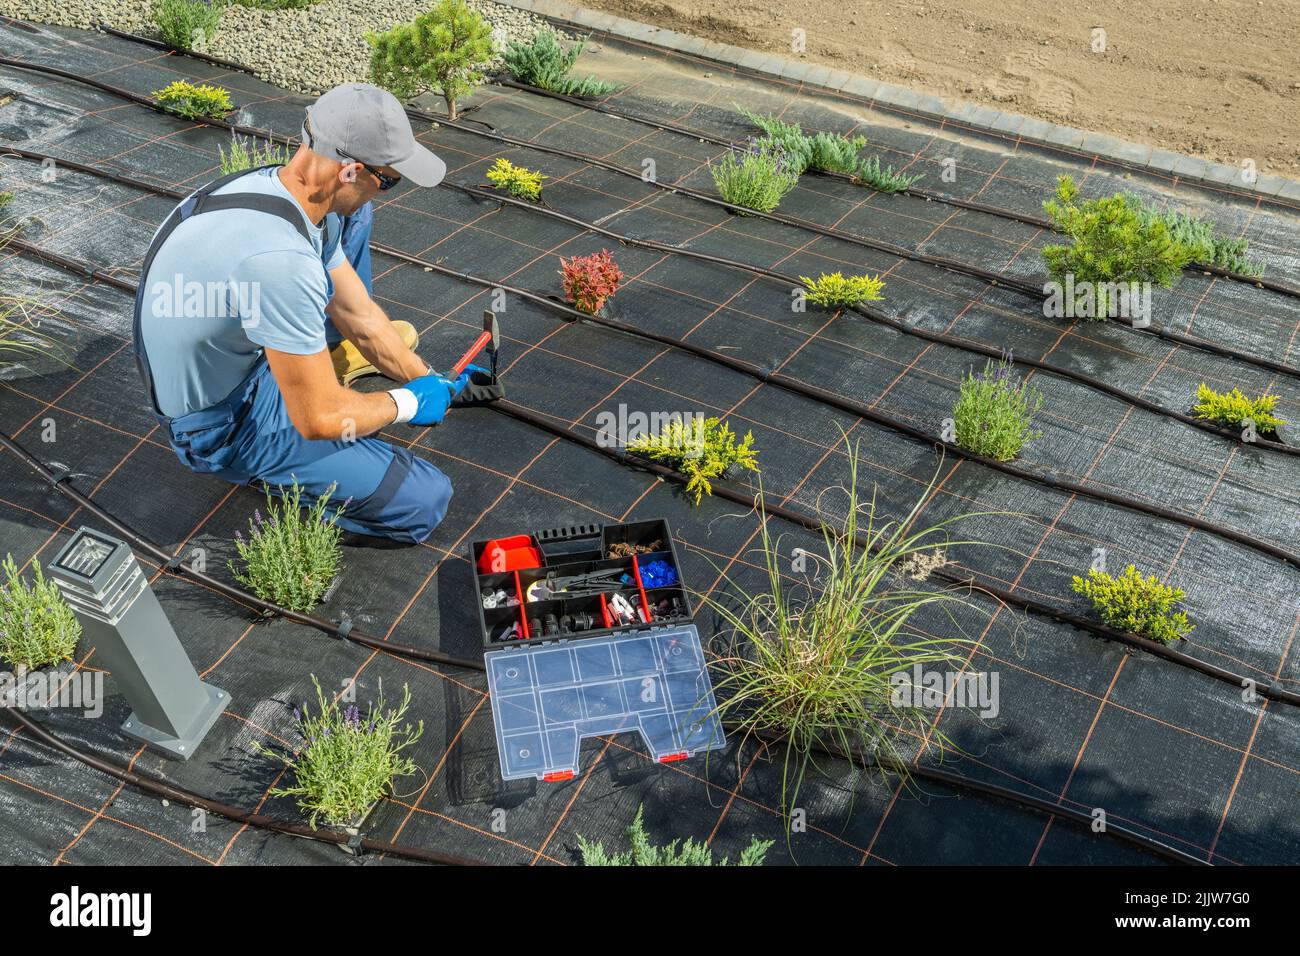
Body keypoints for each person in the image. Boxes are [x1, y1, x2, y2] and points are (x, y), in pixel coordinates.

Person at [133, 83, 482, 543]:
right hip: (222, 424)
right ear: (351, 169)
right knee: (423, 500)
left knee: (352, 218)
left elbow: (357, 313)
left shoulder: (271, 189)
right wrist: (410, 404)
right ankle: (279, 461)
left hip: (237, 357)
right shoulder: (282, 265)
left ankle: (313, 360)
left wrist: (432, 379)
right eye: (388, 180)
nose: (387, 190)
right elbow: (318, 418)